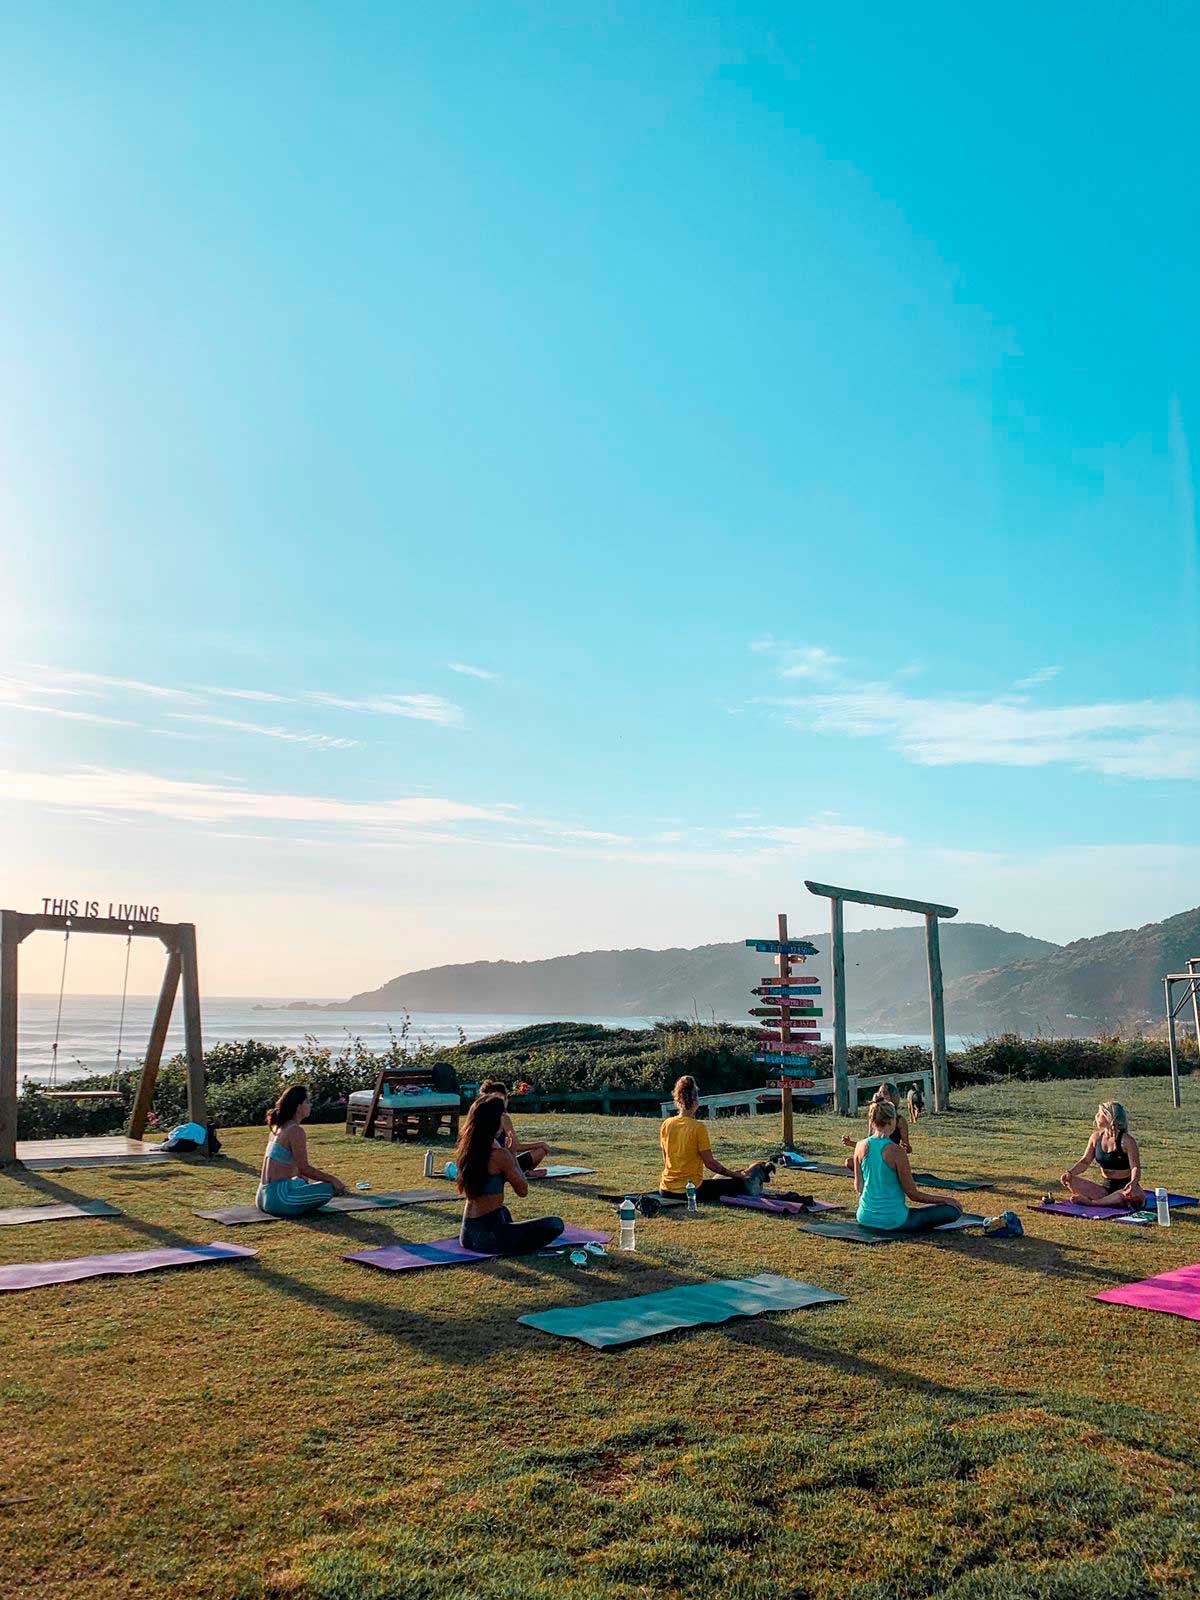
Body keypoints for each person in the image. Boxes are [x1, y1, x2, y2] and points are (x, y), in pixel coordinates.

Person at [457, 1094, 565, 1255]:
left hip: (468, 1233)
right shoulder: (499, 1154)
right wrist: (512, 1154)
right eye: (502, 1115)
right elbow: (523, 1191)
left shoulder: (468, 1148)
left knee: (503, 1211)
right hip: (488, 1237)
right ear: (495, 1121)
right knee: (555, 1224)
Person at [853, 1099, 962, 1233]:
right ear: (892, 1121)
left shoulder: (859, 1146)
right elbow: (913, 1194)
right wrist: (946, 1200)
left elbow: (858, 1187)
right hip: (895, 1220)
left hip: (864, 1217)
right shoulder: (896, 1151)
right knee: (952, 1211)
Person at [658, 1075, 765, 1203]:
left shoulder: (666, 1124)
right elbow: (710, 1164)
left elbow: (666, 1159)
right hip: (690, 1190)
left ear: (677, 1099)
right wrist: (735, 1175)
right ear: (696, 1100)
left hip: (665, 1189)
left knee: (717, 1182)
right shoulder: (698, 1128)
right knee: (736, 1184)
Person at [257, 1084, 350, 1217]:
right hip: (279, 1199)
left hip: (263, 1194)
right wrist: (334, 1180)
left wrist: (299, 1175)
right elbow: (304, 1168)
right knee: (328, 1189)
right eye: (307, 1101)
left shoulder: (278, 1127)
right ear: (298, 1107)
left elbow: (282, 1165)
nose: (310, 1105)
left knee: (301, 1181)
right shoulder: (295, 1130)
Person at [1058, 1102, 1145, 1208]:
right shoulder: (1095, 1137)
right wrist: (1070, 1173)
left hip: (1126, 1189)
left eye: (1100, 1114)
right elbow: (1085, 1161)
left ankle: (1093, 1203)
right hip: (1105, 1189)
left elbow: (1135, 1167)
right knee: (1070, 1180)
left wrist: (1133, 1182)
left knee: (1127, 1195)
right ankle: (1106, 1200)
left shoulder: (1127, 1141)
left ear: (1110, 1117)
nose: (1097, 1116)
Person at [478, 1077, 549, 1173]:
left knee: (540, 1151)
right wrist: (540, 1144)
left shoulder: (477, 1115)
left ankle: (526, 1172)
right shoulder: (503, 1118)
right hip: (498, 1164)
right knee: (540, 1150)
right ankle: (523, 1173)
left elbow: (514, 1147)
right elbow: (516, 1147)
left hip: (486, 1164)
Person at [841, 1082, 910, 1167]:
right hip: (875, 1157)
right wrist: (851, 1143)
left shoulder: (900, 1120)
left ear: (893, 1097)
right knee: (849, 1162)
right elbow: (869, 1145)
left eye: (885, 1093)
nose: (882, 1096)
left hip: (890, 1156)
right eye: (880, 1093)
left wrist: (902, 1149)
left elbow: (907, 1148)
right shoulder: (873, 1117)